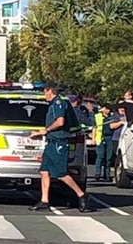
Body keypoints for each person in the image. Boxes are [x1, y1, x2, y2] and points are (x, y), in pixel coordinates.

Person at [29, 82, 89, 212]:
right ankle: (45, 200)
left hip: (59, 143)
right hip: (51, 143)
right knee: (44, 171)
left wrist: (46, 130)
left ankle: (81, 195)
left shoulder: (58, 103)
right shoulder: (52, 104)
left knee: (61, 174)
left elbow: (60, 121)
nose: (44, 94)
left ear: (49, 90)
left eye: (44, 91)